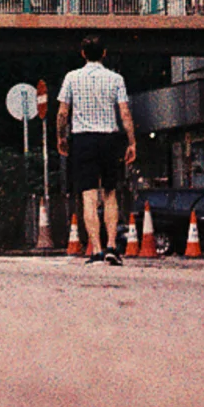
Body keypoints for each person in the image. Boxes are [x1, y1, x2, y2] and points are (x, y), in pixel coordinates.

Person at [56, 37, 136, 264]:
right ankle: (112, 246)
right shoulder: (115, 79)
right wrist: (131, 142)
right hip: (109, 139)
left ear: (83, 53)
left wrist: (61, 137)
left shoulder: (72, 78)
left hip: (83, 140)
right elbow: (125, 113)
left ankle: (96, 249)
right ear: (104, 53)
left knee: (89, 196)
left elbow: (62, 113)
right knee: (110, 194)